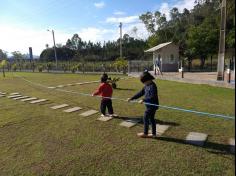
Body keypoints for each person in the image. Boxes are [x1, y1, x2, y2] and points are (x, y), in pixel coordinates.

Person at [127, 70, 159, 138]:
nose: (144, 84)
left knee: (145, 117)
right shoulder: (146, 86)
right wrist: (131, 98)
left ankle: (145, 133)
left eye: (144, 82)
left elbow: (152, 97)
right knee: (151, 119)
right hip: (149, 106)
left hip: (152, 106)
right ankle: (154, 134)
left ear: (149, 79)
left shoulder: (153, 86)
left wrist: (144, 100)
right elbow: (140, 93)